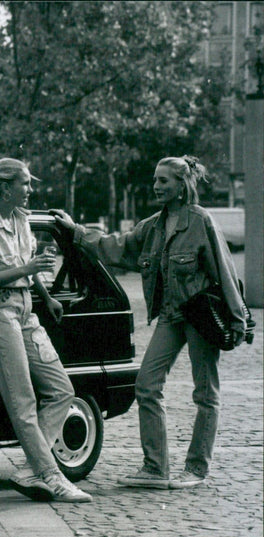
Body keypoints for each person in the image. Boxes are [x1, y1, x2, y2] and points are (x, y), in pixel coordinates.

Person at [51, 155, 248, 490]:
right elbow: (117, 245)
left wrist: (238, 319)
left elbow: (225, 273)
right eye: (155, 180)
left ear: (181, 185)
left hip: (201, 316)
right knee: (146, 383)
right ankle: (155, 469)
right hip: (171, 315)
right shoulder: (153, 225)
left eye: (163, 181)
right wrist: (77, 232)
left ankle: (197, 469)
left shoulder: (201, 221)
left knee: (205, 393)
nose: (156, 186)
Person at [0, 158, 92, 503]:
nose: (31, 190)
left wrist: (46, 296)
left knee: (62, 389)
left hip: (25, 310)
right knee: (23, 400)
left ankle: (34, 467)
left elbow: (28, 271)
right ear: (4, 188)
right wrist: (27, 269)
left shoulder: (21, 220)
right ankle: (50, 476)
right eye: (26, 184)